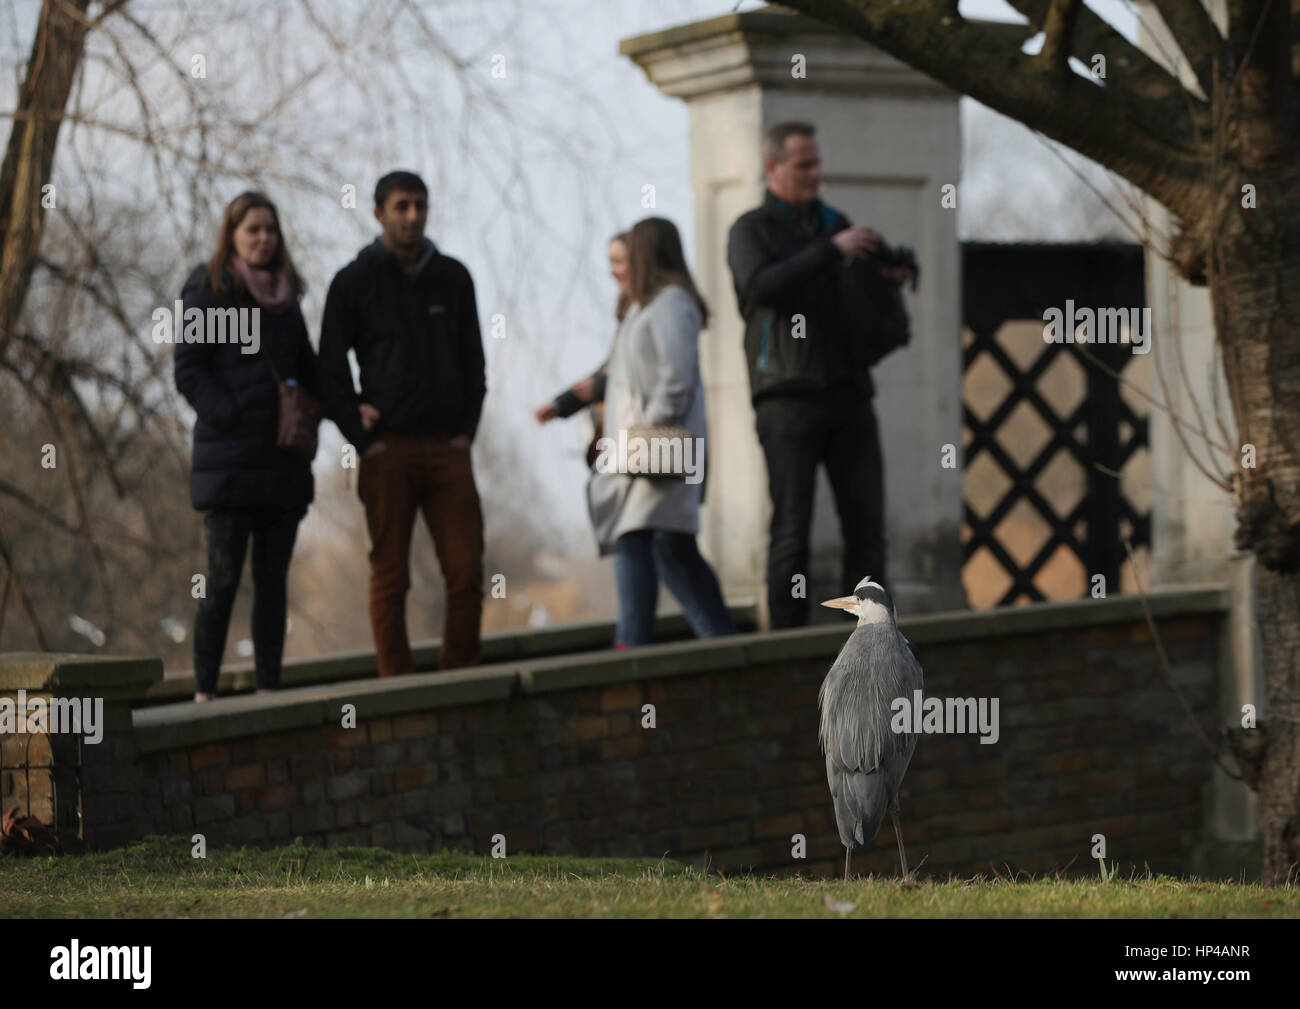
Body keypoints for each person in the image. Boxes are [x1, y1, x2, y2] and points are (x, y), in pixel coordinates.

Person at [726, 121, 914, 629]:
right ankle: (786, 647)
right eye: (803, 165)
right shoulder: (750, 230)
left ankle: (871, 641)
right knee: (791, 529)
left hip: (849, 391)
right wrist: (833, 251)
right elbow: (760, 288)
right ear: (773, 168)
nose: (815, 174)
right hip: (786, 397)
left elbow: (861, 302)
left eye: (817, 163)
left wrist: (888, 274)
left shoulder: (836, 221)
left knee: (867, 529)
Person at [318, 171, 486, 675]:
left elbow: (475, 362)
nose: (412, 215)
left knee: (466, 571)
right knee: (390, 575)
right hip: (386, 451)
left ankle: (459, 678)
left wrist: (465, 433)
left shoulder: (453, 278)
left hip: (447, 449)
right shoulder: (354, 281)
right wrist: (359, 434)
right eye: (401, 206)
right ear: (379, 214)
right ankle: (398, 685)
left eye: (420, 205)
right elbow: (329, 366)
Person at [174, 191, 318, 701]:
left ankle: (269, 690)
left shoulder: (287, 297)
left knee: (273, 585)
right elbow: (188, 370)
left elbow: (309, 370)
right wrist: (232, 416)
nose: (263, 238)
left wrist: (346, 410)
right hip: (229, 466)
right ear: (231, 235)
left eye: (270, 230)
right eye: (252, 229)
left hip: (282, 466)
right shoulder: (209, 288)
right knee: (222, 581)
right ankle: (204, 692)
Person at [588, 217, 736, 647]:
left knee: (634, 539)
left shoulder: (673, 303)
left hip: (663, 447)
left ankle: (631, 647)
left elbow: (677, 377)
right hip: (645, 446)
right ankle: (722, 640)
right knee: (671, 548)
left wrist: (649, 430)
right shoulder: (643, 306)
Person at [534, 233, 631, 467]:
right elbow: (610, 369)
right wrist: (563, 404)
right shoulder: (629, 316)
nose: (613, 272)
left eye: (619, 262)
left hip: (642, 445)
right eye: (610, 263)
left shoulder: (653, 313)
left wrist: (598, 387)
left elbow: (643, 375)